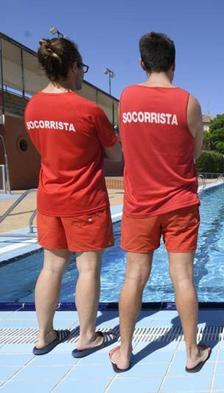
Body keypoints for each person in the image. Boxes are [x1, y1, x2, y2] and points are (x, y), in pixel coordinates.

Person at [109, 32, 208, 373]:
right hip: (180, 204)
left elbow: (127, 145)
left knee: (134, 277)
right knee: (183, 278)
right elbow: (195, 152)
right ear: (174, 64)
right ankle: (192, 353)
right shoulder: (189, 102)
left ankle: (124, 352)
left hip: (140, 205)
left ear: (142, 63)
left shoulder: (127, 98)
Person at [24, 38, 121, 356]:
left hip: (50, 198)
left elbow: (45, 147)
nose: (83, 75)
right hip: (85, 199)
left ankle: (44, 335)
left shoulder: (32, 107)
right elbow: (115, 153)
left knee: (51, 267)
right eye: (82, 68)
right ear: (71, 67)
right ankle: (87, 337)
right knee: (88, 268)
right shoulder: (89, 110)